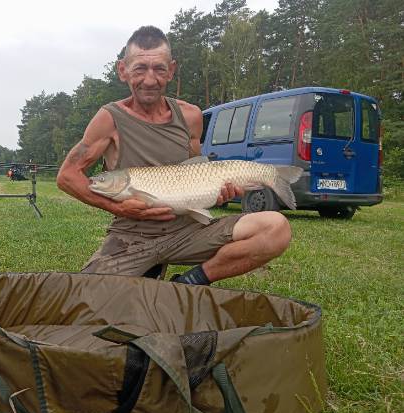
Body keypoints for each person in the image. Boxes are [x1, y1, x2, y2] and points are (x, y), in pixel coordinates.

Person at [57, 26, 291, 285]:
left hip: (188, 232)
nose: (149, 80)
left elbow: (196, 170)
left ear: (171, 70)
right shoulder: (109, 118)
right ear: (123, 70)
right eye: (140, 69)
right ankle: (147, 269)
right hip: (131, 237)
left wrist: (220, 192)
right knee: (86, 294)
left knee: (276, 228)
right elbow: (67, 176)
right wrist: (118, 207)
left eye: (159, 69)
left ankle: (191, 282)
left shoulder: (190, 116)